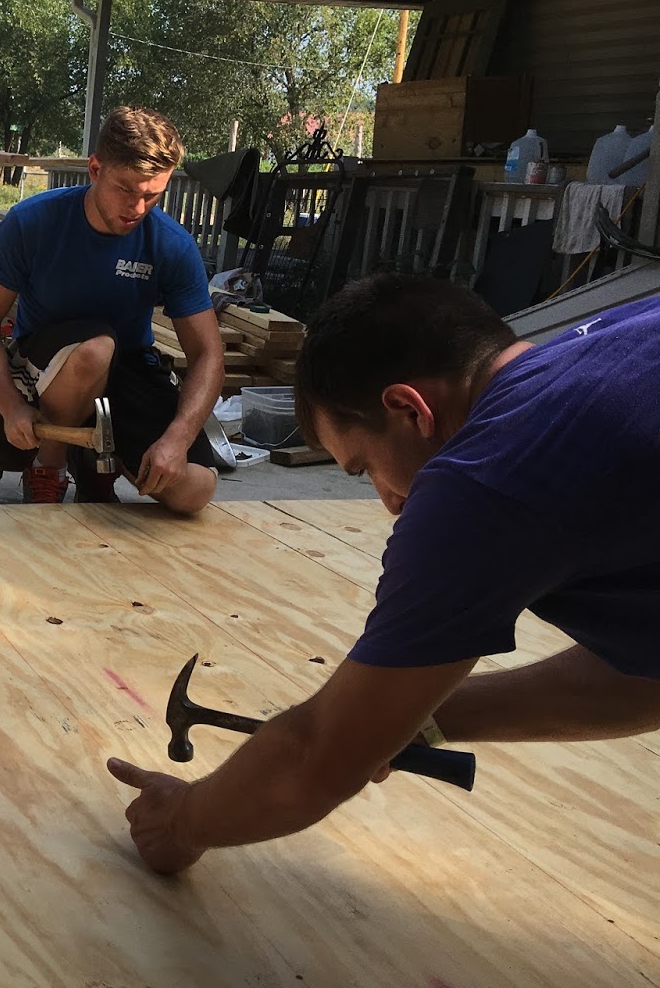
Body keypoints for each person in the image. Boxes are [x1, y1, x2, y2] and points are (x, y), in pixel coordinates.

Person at [106, 275, 660, 873]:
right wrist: (402, 718)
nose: (390, 502)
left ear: (407, 410)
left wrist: (181, 823)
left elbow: (313, 761)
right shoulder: (615, 343)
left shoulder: (487, 477)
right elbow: (645, 676)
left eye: (364, 466)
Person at [0, 105, 223, 513]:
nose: (137, 208)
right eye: (126, 190)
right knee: (95, 350)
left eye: (152, 195)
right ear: (96, 169)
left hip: (130, 366)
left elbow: (207, 353)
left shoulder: (172, 245)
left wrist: (178, 437)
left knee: (194, 492)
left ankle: (96, 462)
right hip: (48, 366)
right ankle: (50, 466)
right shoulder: (32, 223)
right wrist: (10, 406)